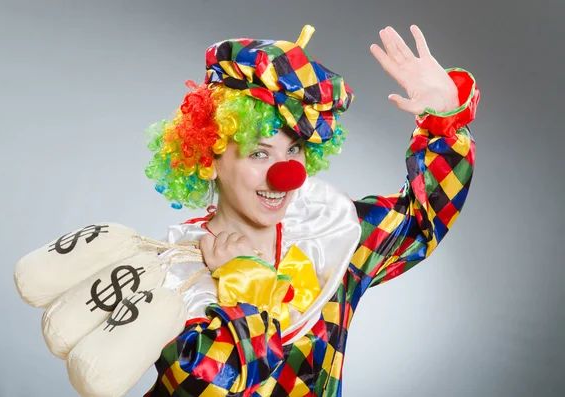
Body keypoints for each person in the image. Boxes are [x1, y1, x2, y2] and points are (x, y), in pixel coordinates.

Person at [140, 23, 480, 396]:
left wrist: (444, 119)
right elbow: (205, 383)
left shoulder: (327, 234)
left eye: (294, 150)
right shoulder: (176, 269)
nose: (285, 175)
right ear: (210, 157)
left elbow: (419, 220)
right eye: (259, 153)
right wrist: (247, 281)